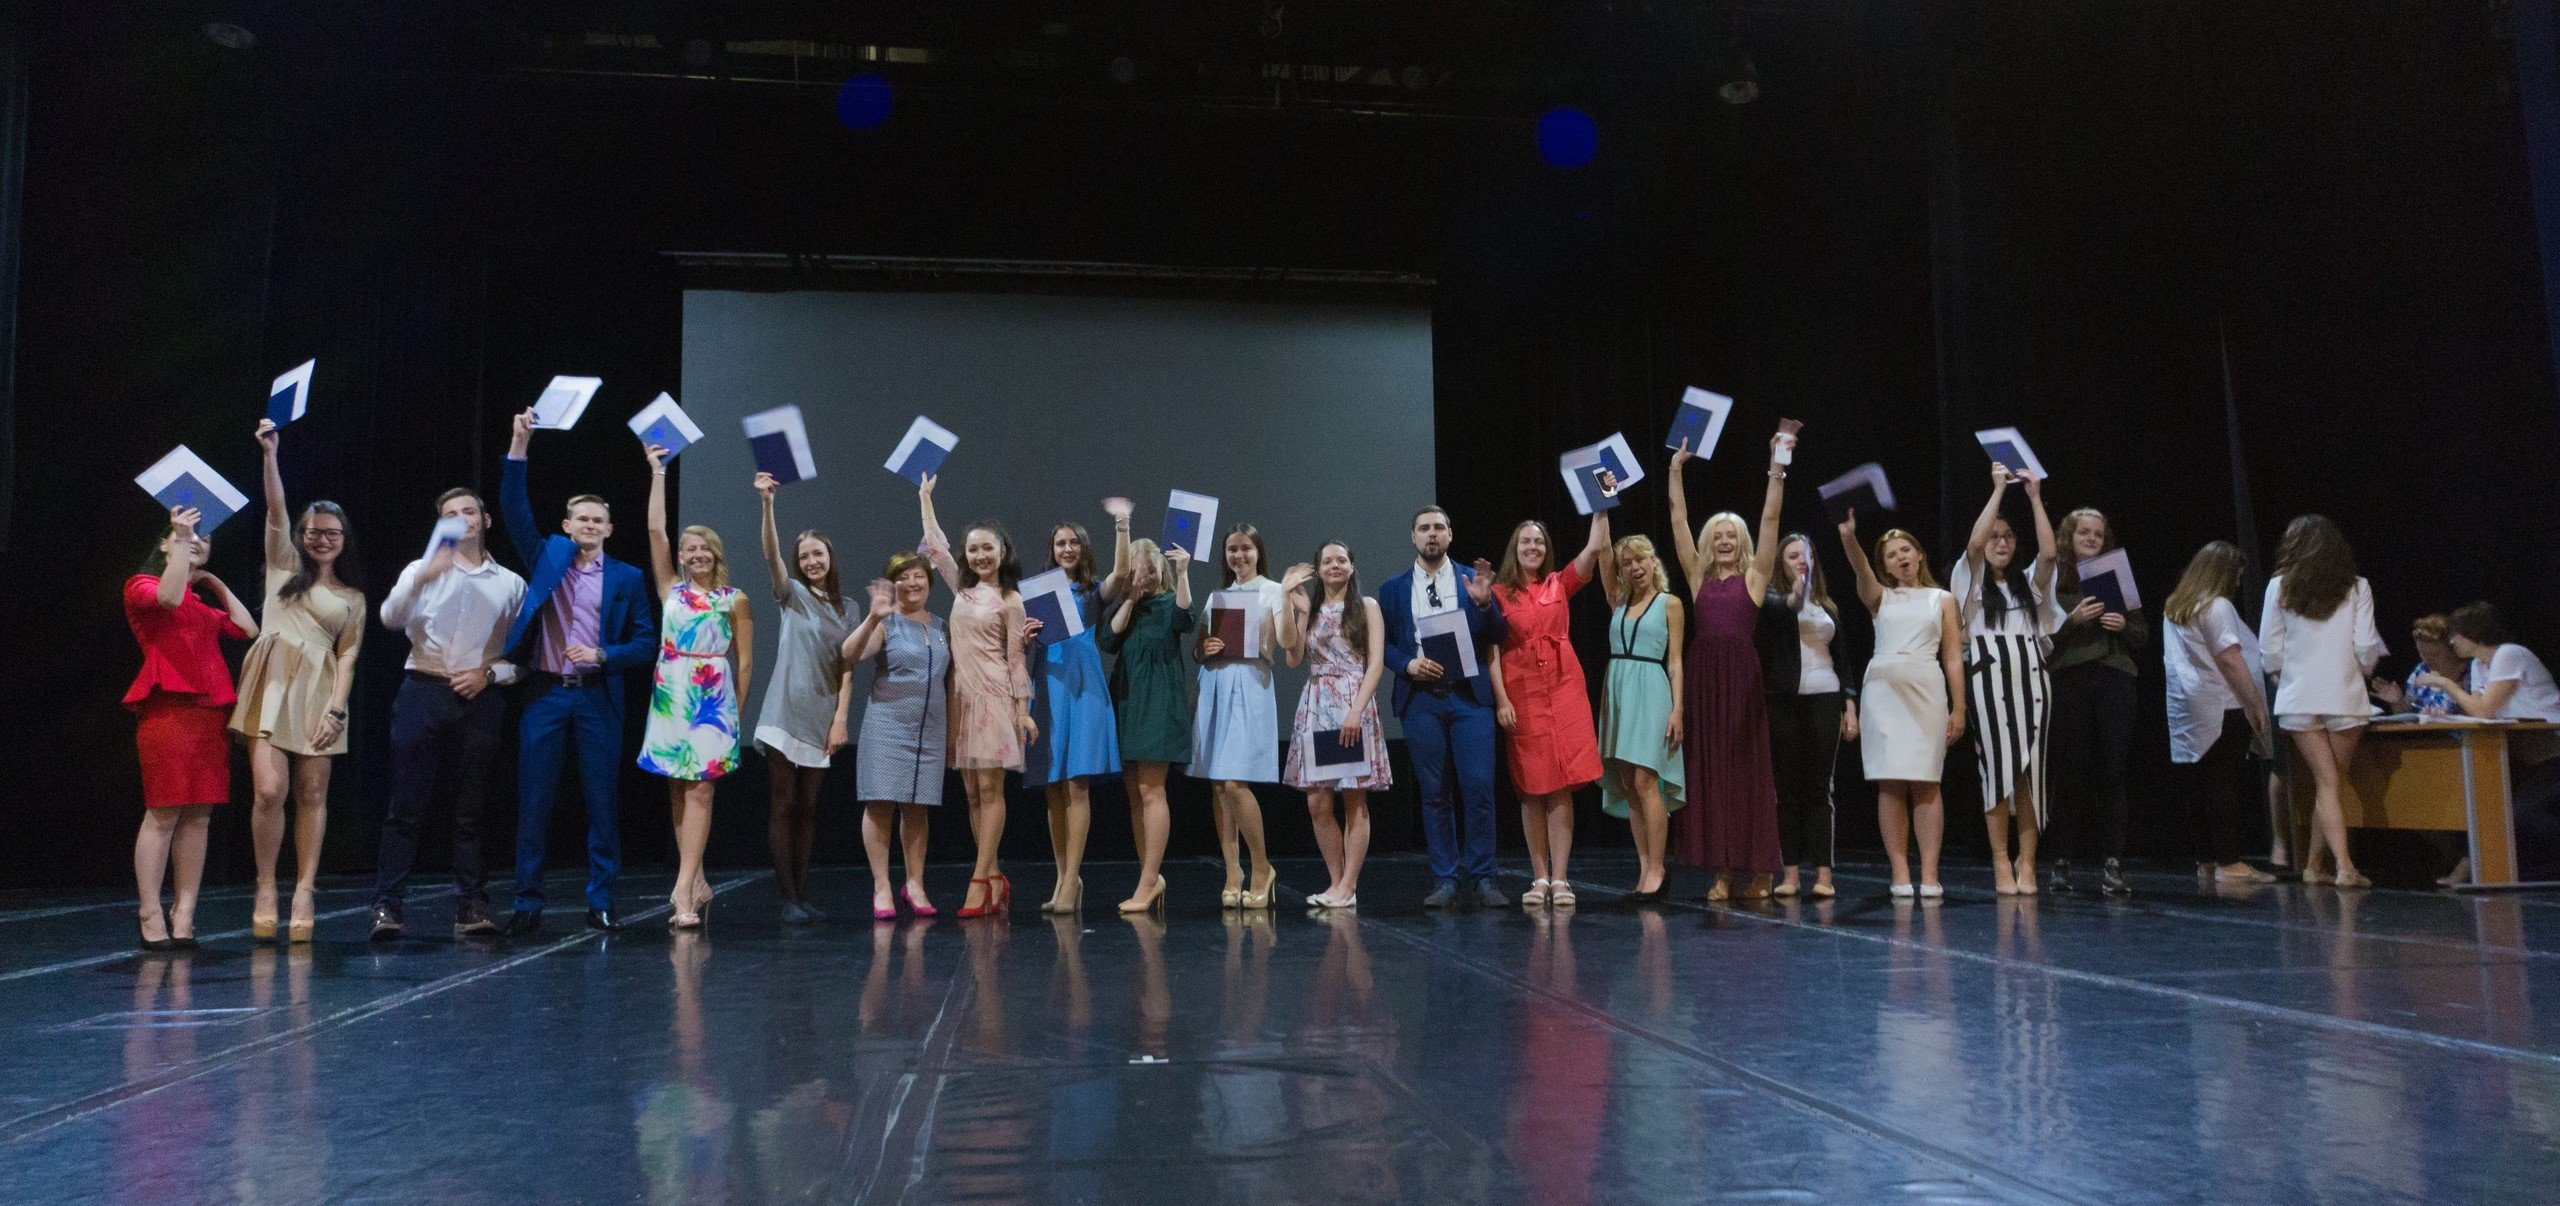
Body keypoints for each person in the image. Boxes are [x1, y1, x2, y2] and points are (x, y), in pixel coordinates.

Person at [499, 408, 657, 934]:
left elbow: (645, 643)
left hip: (597, 696)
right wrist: (519, 444)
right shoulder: (547, 558)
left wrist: (604, 654)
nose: (589, 525)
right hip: (545, 694)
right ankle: (527, 903)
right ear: (566, 526)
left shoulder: (628, 577)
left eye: (597, 520)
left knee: (601, 803)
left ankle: (601, 900)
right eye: (580, 519)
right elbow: (514, 508)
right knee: (534, 802)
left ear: (609, 528)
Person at [370, 487, 526, 940]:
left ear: (485, 520)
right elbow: (390, 618)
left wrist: (489, 675)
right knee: (406, 805)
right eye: (451, 514)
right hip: (423, 688)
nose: (462, 519)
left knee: (470, 810)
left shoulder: (510, 583)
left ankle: (472, 905)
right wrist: (423, 577)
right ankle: (387, 906)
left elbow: (525, 655)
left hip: (479, 696)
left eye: (469, 511)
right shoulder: (421, 569)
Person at [231, 418, 366, 942]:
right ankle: (266, 885)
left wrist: (337, 708)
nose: (321, 539)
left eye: (331, 533)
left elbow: (348, 654)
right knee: (269, 790)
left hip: (320, 691)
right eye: (314, 531)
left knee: (311, 793)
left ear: (343, 539)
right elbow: (276, 509)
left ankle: (305, 889)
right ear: (301, 536)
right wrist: (270, 456)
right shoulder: (283, 566)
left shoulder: (352, 597)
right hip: (271, 682)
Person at [1665, 430, 1791, 901]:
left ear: (1741, 543)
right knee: (1712, 775)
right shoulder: (1696, 577)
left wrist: (1776, 467)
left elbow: (1771, 518)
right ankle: (1722, 871)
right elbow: (1678, 519)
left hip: (1741, 681)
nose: (1723, 541)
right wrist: (1675, 470)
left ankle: (1761, 869)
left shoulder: (1755, 577)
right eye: (1716, 536)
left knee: (1746, 776)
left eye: (1730, 536)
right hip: (1704, 680)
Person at [125, 506, 256, 950]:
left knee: (199, 815)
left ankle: (184, 913)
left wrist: (214, 583)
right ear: (163, 543)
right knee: (164, 812)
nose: (197, 540)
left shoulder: (199, 603)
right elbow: (166, 598)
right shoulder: (142, 586)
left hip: (209, 714)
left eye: (204, 538)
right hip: (168, 712)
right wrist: (182, 541)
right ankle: (149, 912)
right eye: (184, 534)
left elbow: (247, 627)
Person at [637, 443, 752, 928]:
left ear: (716, 554)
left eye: (705, 547)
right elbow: (655, 530)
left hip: (712, 698)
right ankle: (698, 877)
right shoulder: (671, 590)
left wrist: (736, 711)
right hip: (670, 694)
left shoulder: (734, 599)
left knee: (702, 790)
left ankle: (682, 890)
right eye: (690, 548)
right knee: (679, 789)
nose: (697, 553)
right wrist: (658, 473)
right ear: (682, 557)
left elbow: (745, 661)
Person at [1378, 506, 1511, 908]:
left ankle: (1484, 878)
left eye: (1439, 527)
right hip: (1421, 699)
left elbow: (1499, 634)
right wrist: (1407, 664)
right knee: (1434, 793)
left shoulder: (1472, 579)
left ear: (1450, 534)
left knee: (1479, 787)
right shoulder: (1393, 589)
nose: (1432, 534)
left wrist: (1486, 605)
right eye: (1424, 528)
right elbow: (1382, 645)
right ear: (1413, 537)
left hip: (1469, 696)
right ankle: (1445, 879)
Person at [917, 473, 1036, 919]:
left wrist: (1022, 711)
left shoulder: (1011, 599)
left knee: (990, 788)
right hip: (961, 698)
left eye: (988, 548)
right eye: (973, 549)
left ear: (1003, 552)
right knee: (971, 794)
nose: (980, 555)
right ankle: (995, 874)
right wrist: (925, 497)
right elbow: (936, 547)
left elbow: (1016, 659)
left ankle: (980, 878)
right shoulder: (962, 591)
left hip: (995, 698)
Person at [1838, 511, 1966, 899]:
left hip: (1926, 689)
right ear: (1886, 566)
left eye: (1906, 549)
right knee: (1890, 782)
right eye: (1892, 555)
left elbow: (1953, 657)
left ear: (1919, 554)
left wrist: (1959, 707)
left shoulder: (1943, 599)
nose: (1901, 557)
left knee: (1927, 781)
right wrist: (1849, 538)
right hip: (1883, 694)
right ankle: (1899, 871)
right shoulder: (1880, 597)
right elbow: (1860, 569)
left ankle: (1930, 873)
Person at [1947, 465, 2063, 895]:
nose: (2000, 543)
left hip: (2032, 680)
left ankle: (2027, 861)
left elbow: (2049, 554)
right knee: (1998, 771)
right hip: (1989, 681)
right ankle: (2000, 858)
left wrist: (2034, 497)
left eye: (2008, 537)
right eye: (1996, 536)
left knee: (2031, 774)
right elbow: (1974, 545)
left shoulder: (2026, 584)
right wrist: (1998, 489)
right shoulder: (1970, 579)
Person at [1487, 510, 1607, 907]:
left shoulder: (1559, 583)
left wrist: (1601, 504)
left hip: (1564, 688)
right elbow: (1490, 650)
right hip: (1522, 691)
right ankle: (1538, 877)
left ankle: (1560, 879)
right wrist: (1501, 699)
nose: (1533, 547)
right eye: (1526, 541)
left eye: (1538, 541)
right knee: (1532, 785)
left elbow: (1594, 548)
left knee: (1561, 784)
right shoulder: (1499, 593)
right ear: (1515, 549)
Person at [750, 471, 854, 924]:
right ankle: (787, 898)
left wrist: (840, 719)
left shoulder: (848, 608)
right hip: (783, 712)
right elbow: (771, 555)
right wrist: (768, 504)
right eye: (804, 556)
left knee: (808, 809)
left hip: (821, 718)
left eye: (818, 553)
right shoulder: (791, 594)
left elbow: (847, 668)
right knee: (783, 802)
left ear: (830, 557)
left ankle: (802, 894)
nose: (812, 561)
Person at [2259, 514, 2384, 889]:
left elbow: (2269, 649)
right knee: (2331, 782)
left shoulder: (2278, 586)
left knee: (2326, 783)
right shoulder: (2357, 586)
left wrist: (2284, 677)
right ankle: (2345, 866)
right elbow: (2367, 646)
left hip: (2299, 696)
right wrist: (2360, 669)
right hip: (2343, 695)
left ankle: (2315, 864)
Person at [1022, 508, 1126, 915]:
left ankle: (1071, 879)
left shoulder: (1093, 591)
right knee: (1052, 786)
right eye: (1060, 543)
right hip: (1047, 683)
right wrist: (1026, 637)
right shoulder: (1037, 594)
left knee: (1076, 783)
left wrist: (1122, 525)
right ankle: (1064, 876)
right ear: (1052, 549)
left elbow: (1122, 572)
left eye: (1074, 542)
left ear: (1083, 549)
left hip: (1083, 685)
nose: (1067, 548)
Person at [1281, 542, 1391, 909]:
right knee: (1317, 801)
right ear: (1318, 569)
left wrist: (1356, 712)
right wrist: (1291, 604)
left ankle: (1349, 885)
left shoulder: (1367, 606)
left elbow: (1375, 664)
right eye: (1327, 561)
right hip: (1316, 706)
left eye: (1341, 560)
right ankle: (1335, 881)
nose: (1335, 566)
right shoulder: (1310, 608)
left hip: (1351, 703)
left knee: (1354, 797)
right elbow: (1293, 658)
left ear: (1352, 566)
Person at [2045, 505, 2148, 896]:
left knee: (2114, 769)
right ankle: (2061, 861)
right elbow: (2040, 638)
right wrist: (2072, 622)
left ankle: (2113, 863)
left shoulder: (2116, 575)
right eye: (2083, 532)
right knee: (2070, 770)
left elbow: (2141, 633)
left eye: (2098, 534)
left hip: (2114, 677)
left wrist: (2123, 625)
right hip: (2071, 678)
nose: (2091, 539)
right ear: (2069, 538)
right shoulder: (2054, 579)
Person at [842, 551, 949, 920]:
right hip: (887, 726)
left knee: (918, 807)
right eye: (902, 577)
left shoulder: (941, 626)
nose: (911, 583)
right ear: (893, 584)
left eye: (918, 575)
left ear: (928, 582)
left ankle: (915, 884)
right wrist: (873, 616)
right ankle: (882, 886)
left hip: (930, 729)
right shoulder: (887, 623)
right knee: (880, 805)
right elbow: (850, 653)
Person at [2161, 541, 2277, 885]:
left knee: (2198, 787)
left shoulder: (2176, 606)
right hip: (2222, 704)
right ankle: (2230, 862)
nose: (2238, 583)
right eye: (2236, 576)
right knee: (2224, 784)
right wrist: (2255, 704)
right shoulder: (2217, 605)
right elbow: (2229, 659)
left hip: (2188, 707)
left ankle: (2207, 860)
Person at [1756, 532, 1858, 898]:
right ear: (1780, 563)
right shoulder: (1771, 599)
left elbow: (1843, 660)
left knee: (1820, 788)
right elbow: (1784, 611)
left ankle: (1824, 877)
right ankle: (1790, 875)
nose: (1801, 560)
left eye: (1806, 554)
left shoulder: (1827, 605)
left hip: (1825, 697)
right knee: (1787, 790)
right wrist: (1795, 597)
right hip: (1784, 701)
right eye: (1792, 555)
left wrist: (1849, 705)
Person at [1192, 523, 1288, 909]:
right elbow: (1199, 649)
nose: (1239, 555)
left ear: (1258, 551)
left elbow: (1285, 641)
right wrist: (1204, 648)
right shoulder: (1218, 596)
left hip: (1250, 682)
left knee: (1234, 783)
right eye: (1232, 549)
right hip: (1215, 683)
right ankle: (1233, 871)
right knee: (1218, 785)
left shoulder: (1274, 590)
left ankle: (1262, 867)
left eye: (1246, 548)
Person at [1097, 538, 1194, 914]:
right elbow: (1108, 641)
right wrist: (1130, 599)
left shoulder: (1170, 602)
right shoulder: (1126, 607)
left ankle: (1150, 879)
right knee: (1135, 793)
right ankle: (1148, 875)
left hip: (1159, 703)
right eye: (1137, 571)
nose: (1144, 576)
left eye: (1151, 570)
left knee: (1152, 790)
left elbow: (1186, 619)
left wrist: (1183, 574)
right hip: (1127, 701)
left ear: (1161, 572)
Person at [2433, 601, 2560, 881]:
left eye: (2455, 634)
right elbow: (2478, 709)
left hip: (2553, 753)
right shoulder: (2480, 665)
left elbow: (2484, 710)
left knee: (2520, 816)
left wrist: (2448, 685)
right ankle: (2474, 869)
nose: (2452, 641)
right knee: (2482, 805)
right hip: (2523, 755)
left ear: (2473, 632)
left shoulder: (2509, 654)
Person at [1598, 534, 1685, 901]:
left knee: (1646, 780)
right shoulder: (1617, 600)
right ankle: (1645, 866)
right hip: (1618, 691)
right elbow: (1602, 550)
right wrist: (1600, 513)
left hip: (1651, 691)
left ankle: (1659, 868)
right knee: (1628, 783)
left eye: (1640, 560)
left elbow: (1675, 661)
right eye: (1627, 563)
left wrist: (1678, 708)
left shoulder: (1670, 604)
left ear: (1653, 561)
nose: (1635, 567)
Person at [2370, 614, 2462, 717]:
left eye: (2434, 654)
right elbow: (2406, 716)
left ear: (2451, 649)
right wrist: (2398, 702)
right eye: (2422, 653)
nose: (2427, 660)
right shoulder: (2420, 671)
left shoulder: (2467, 673)